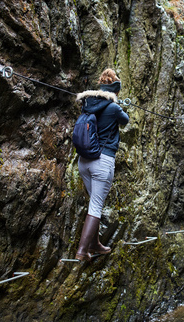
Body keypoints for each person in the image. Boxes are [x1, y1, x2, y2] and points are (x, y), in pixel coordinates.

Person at [75, 68, 129, 261]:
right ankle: (82, 250)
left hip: (84, 162)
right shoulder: (113, 108)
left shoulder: (87, 104)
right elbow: (126, 120)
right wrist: (118, 104)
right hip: (102, 162)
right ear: (115, 90)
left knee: (93, 204)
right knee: (96, 206)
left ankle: (95, 244)